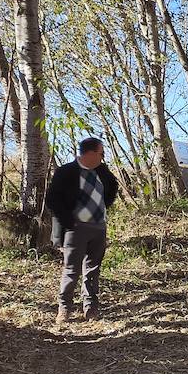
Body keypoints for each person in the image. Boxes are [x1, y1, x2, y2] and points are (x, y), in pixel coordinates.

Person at [45, 137, 120, 325]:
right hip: (75, 230)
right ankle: (64, 309)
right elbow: (53, 200)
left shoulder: (103, 172)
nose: (103, 157)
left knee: (93, 270)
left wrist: (101, 209)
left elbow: (112, 189)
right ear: (90, 153)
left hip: (98, 228)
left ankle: (91, 308)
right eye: (101, 153)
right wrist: (69, 221)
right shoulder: (66, 172)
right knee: (71, 270)